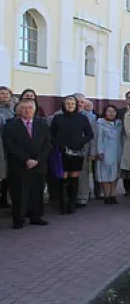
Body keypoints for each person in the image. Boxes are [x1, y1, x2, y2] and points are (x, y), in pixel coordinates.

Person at [4, 100, 51, 229]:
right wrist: (26, 159)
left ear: (34, 110)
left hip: (39, 165)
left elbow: (47, 144)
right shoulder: (11, 125)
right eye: (23, 108)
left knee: (37, 191)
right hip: (19, 165)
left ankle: (36, 216)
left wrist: (38, 160)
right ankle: (18, 219)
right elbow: (11, 145)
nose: (27, 110)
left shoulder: (42, 124)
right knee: (19, 193)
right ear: (18, 110)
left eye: (30, 108)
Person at [50, 95, 95, 214]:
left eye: (72, 104)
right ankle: (63, 205)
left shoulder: (82, 118)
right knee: (63, 179)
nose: (70, 106)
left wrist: (80, 142)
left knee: (74, 179)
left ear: (76, 106)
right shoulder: (58, 118)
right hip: (62, 152)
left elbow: (90, 134)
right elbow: (52, 135)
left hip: (77, 152)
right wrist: (59, 144)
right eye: (68, 103)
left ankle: (72, 204)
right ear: (64, 105)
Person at [93, 105, 123, 204]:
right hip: (105, 152)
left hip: (117, 152)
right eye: (109, 111)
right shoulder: (100, 123)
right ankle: (106, 195)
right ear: (105, 112)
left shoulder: (119, 124)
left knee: (115, 174)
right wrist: (99, 151)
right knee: (105, 174)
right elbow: (98, 138)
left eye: (113, 111)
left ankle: (113, 194)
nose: (111, 113)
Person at [77, 97, 97, 207]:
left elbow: (93, 136)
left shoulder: (90, 117)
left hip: (85, 149)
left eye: (82, 102)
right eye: (78, 102)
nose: (80, 104)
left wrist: (92, 152)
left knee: (83, 175)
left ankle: (83, 197)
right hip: (69, 150)